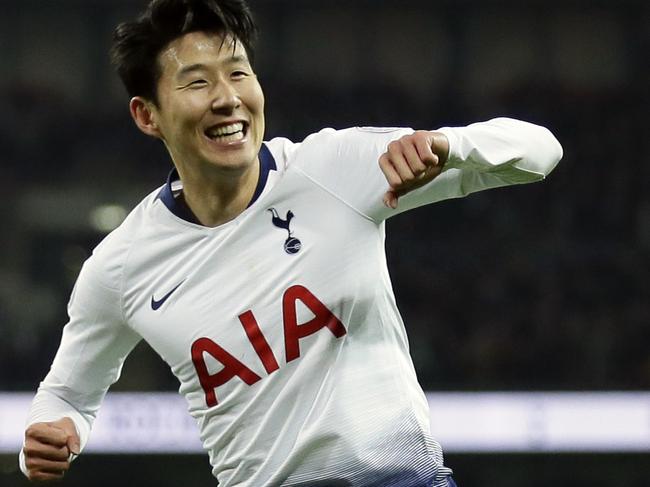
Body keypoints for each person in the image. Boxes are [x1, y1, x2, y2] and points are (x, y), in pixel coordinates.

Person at [19, 0, 563, 486]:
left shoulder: (334, 168)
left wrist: (450, 146)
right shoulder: (121, 266)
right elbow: (67, 395)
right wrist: (47, 439)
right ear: (147, 115)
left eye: (239, 74)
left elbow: (541, 152)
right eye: (198, 82)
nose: (228, 99)